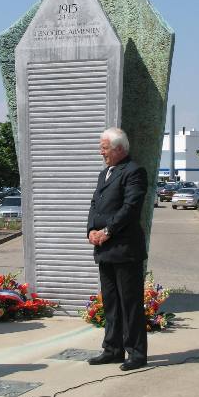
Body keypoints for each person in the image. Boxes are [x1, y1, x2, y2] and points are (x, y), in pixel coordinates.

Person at [87, 127, 148, 371]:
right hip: (104, 249)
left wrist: (107, 231)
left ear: (119, 149)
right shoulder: (105, 174)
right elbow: (95, 204)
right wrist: (91, 230)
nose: (101, 152)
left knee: (129, 303)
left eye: (104, 148)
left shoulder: (134, 172)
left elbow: (130, 208)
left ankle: (136, 353)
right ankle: (112, 349)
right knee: (111, 302)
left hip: (124, 249)